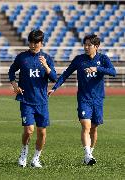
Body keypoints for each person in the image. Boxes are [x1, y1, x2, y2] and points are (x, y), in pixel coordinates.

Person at [48, 34, 116, 165]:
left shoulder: (103, 59)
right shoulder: (79, 60)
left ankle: (90, 154)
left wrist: (98, 69)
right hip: (84, 99)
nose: (86, 47)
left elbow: (113, 72)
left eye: (89, 45)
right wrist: (55, 87)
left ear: (96, 46)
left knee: (94, 128)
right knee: (86, 126)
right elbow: (66, 74)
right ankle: (88, 155)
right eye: (84, 45)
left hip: (98, 99)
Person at [8, 29, 57, 168]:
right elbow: (11, 71)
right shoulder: (22, 57)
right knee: (29, 130)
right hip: (26, 100)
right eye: (31, 42)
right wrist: (15, 85)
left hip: (41, 101)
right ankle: (23, 152)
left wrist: (46, 66)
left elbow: (54, 78)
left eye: (36, 42)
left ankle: (36, 158)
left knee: (42, 132)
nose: (33, 45)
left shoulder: (47, 58)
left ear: (41, 43)